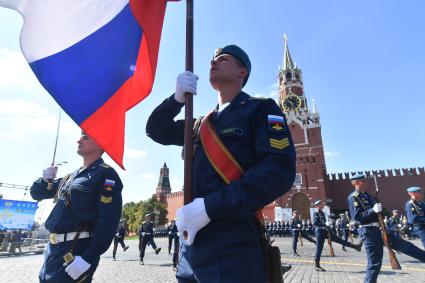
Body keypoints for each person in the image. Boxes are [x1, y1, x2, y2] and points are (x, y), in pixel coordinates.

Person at [146, 44, 296, 282]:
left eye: (223, 59)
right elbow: (155, 130)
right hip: (190, 248)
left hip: (232, 244)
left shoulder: (260, 109)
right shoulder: (200, 124)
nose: (213, 62)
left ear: (242, 71)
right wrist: (175, 100)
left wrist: (210, 207)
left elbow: (278, 170)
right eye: (212, 60)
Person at [30, 131, 123, 282]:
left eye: (85, 137)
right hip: (53, 251)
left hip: (75, 250)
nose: (79, 140)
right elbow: (36, 193)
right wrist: (44, 179)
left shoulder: (106, 174)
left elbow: (108, 221)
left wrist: (88, 258)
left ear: (100, 144)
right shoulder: (71, 176)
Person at [347, 174, 425, 283]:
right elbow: (358, 218)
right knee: (374, 264)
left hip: (381, 229)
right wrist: (373, 210)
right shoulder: (353, 197)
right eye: (363, 180)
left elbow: (381, 213)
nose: (366, 182)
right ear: (357, 182)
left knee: (408, 246)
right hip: (369, 232)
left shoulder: (368, 196)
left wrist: (381, 210)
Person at [312, 200, 361, 272]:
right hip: (319, 232)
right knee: (319, 248)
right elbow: (315, 224)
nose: (322, 204)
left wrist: (328, 226)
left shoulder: (322, 212)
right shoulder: (315, 213)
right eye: (320, 204)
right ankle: (317, 265)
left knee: (339, 240)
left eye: (322, 203)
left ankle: (355, 246)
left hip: (326, 231)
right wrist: (325, 224)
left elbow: (325, 223)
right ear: (317, 206)